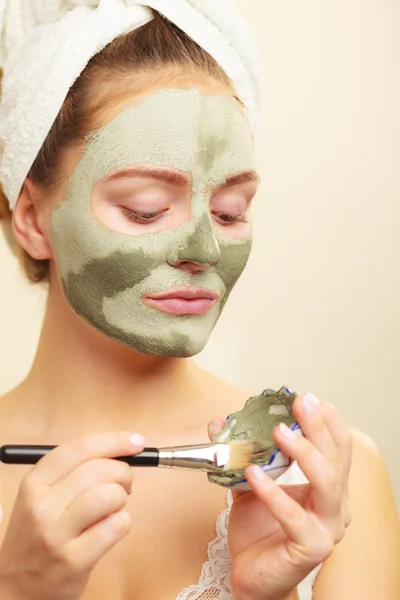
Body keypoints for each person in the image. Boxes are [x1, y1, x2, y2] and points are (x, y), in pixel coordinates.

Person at [0, 3, 399, 600]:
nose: (203, 248)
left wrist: (272, 593)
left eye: (230, 211)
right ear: (31, 218)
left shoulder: (323, 478)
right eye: (146, 208)